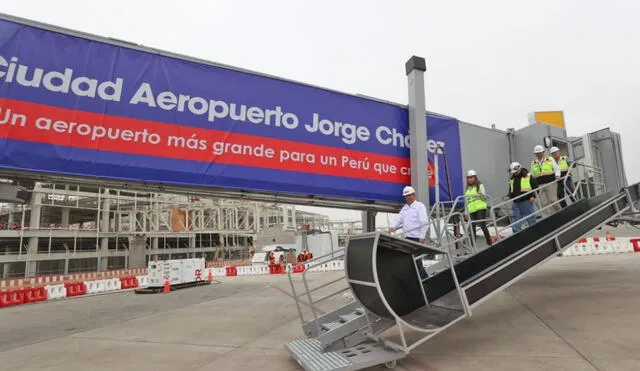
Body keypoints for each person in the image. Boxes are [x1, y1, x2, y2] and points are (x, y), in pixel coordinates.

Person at [389, 185, 429, 279]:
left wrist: (422, 237)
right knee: (410, 260)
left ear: (414, 195)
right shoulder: (405, 208)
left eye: (410, 195)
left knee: (417, 260)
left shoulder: (420, 206)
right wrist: (392, 227)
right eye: (406, 196)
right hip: (407, 238)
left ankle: (424, 278)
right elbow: (398, 220)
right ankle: (420, 278)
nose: (408, 197)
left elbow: (424, 222)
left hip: (417, 238)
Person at [530, 145, 561, 217]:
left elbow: (556, 168)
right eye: (536, 153)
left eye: (539, 152)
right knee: (543, 202)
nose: (538, 154)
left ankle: (559, 212)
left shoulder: (549, 159)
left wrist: (557, 176)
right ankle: (546, 217)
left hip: (550, 183)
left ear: (543, 152)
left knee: (553, 200)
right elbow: (532, 174)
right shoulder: (533, 163)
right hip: (539, 184)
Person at [464, 170, 492, 247]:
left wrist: (481, 195)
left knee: (482, 224)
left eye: (471, 177)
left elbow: (484, 197)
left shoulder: (480, 185)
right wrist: (466, 211)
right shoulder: (467, 189)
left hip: (480, 208)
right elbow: (466, 201)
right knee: (472, 227)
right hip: (471, 210)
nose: (469, 179)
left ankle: (488, 239)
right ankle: (473, 245)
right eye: (468, 178)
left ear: (475, 178)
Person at [508, 162, 539, 232]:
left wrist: (533, 196)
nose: (515, 173)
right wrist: (509, 196)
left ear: (519, 169)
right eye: (514, 172)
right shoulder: (512, 179)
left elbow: (536, 187)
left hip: (526, 201)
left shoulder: (528, 176)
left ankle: (534, 232)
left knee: (530, 218)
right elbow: (510, 189)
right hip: (516, 202)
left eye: (516, 171)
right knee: (516, 218)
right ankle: (516, 233)